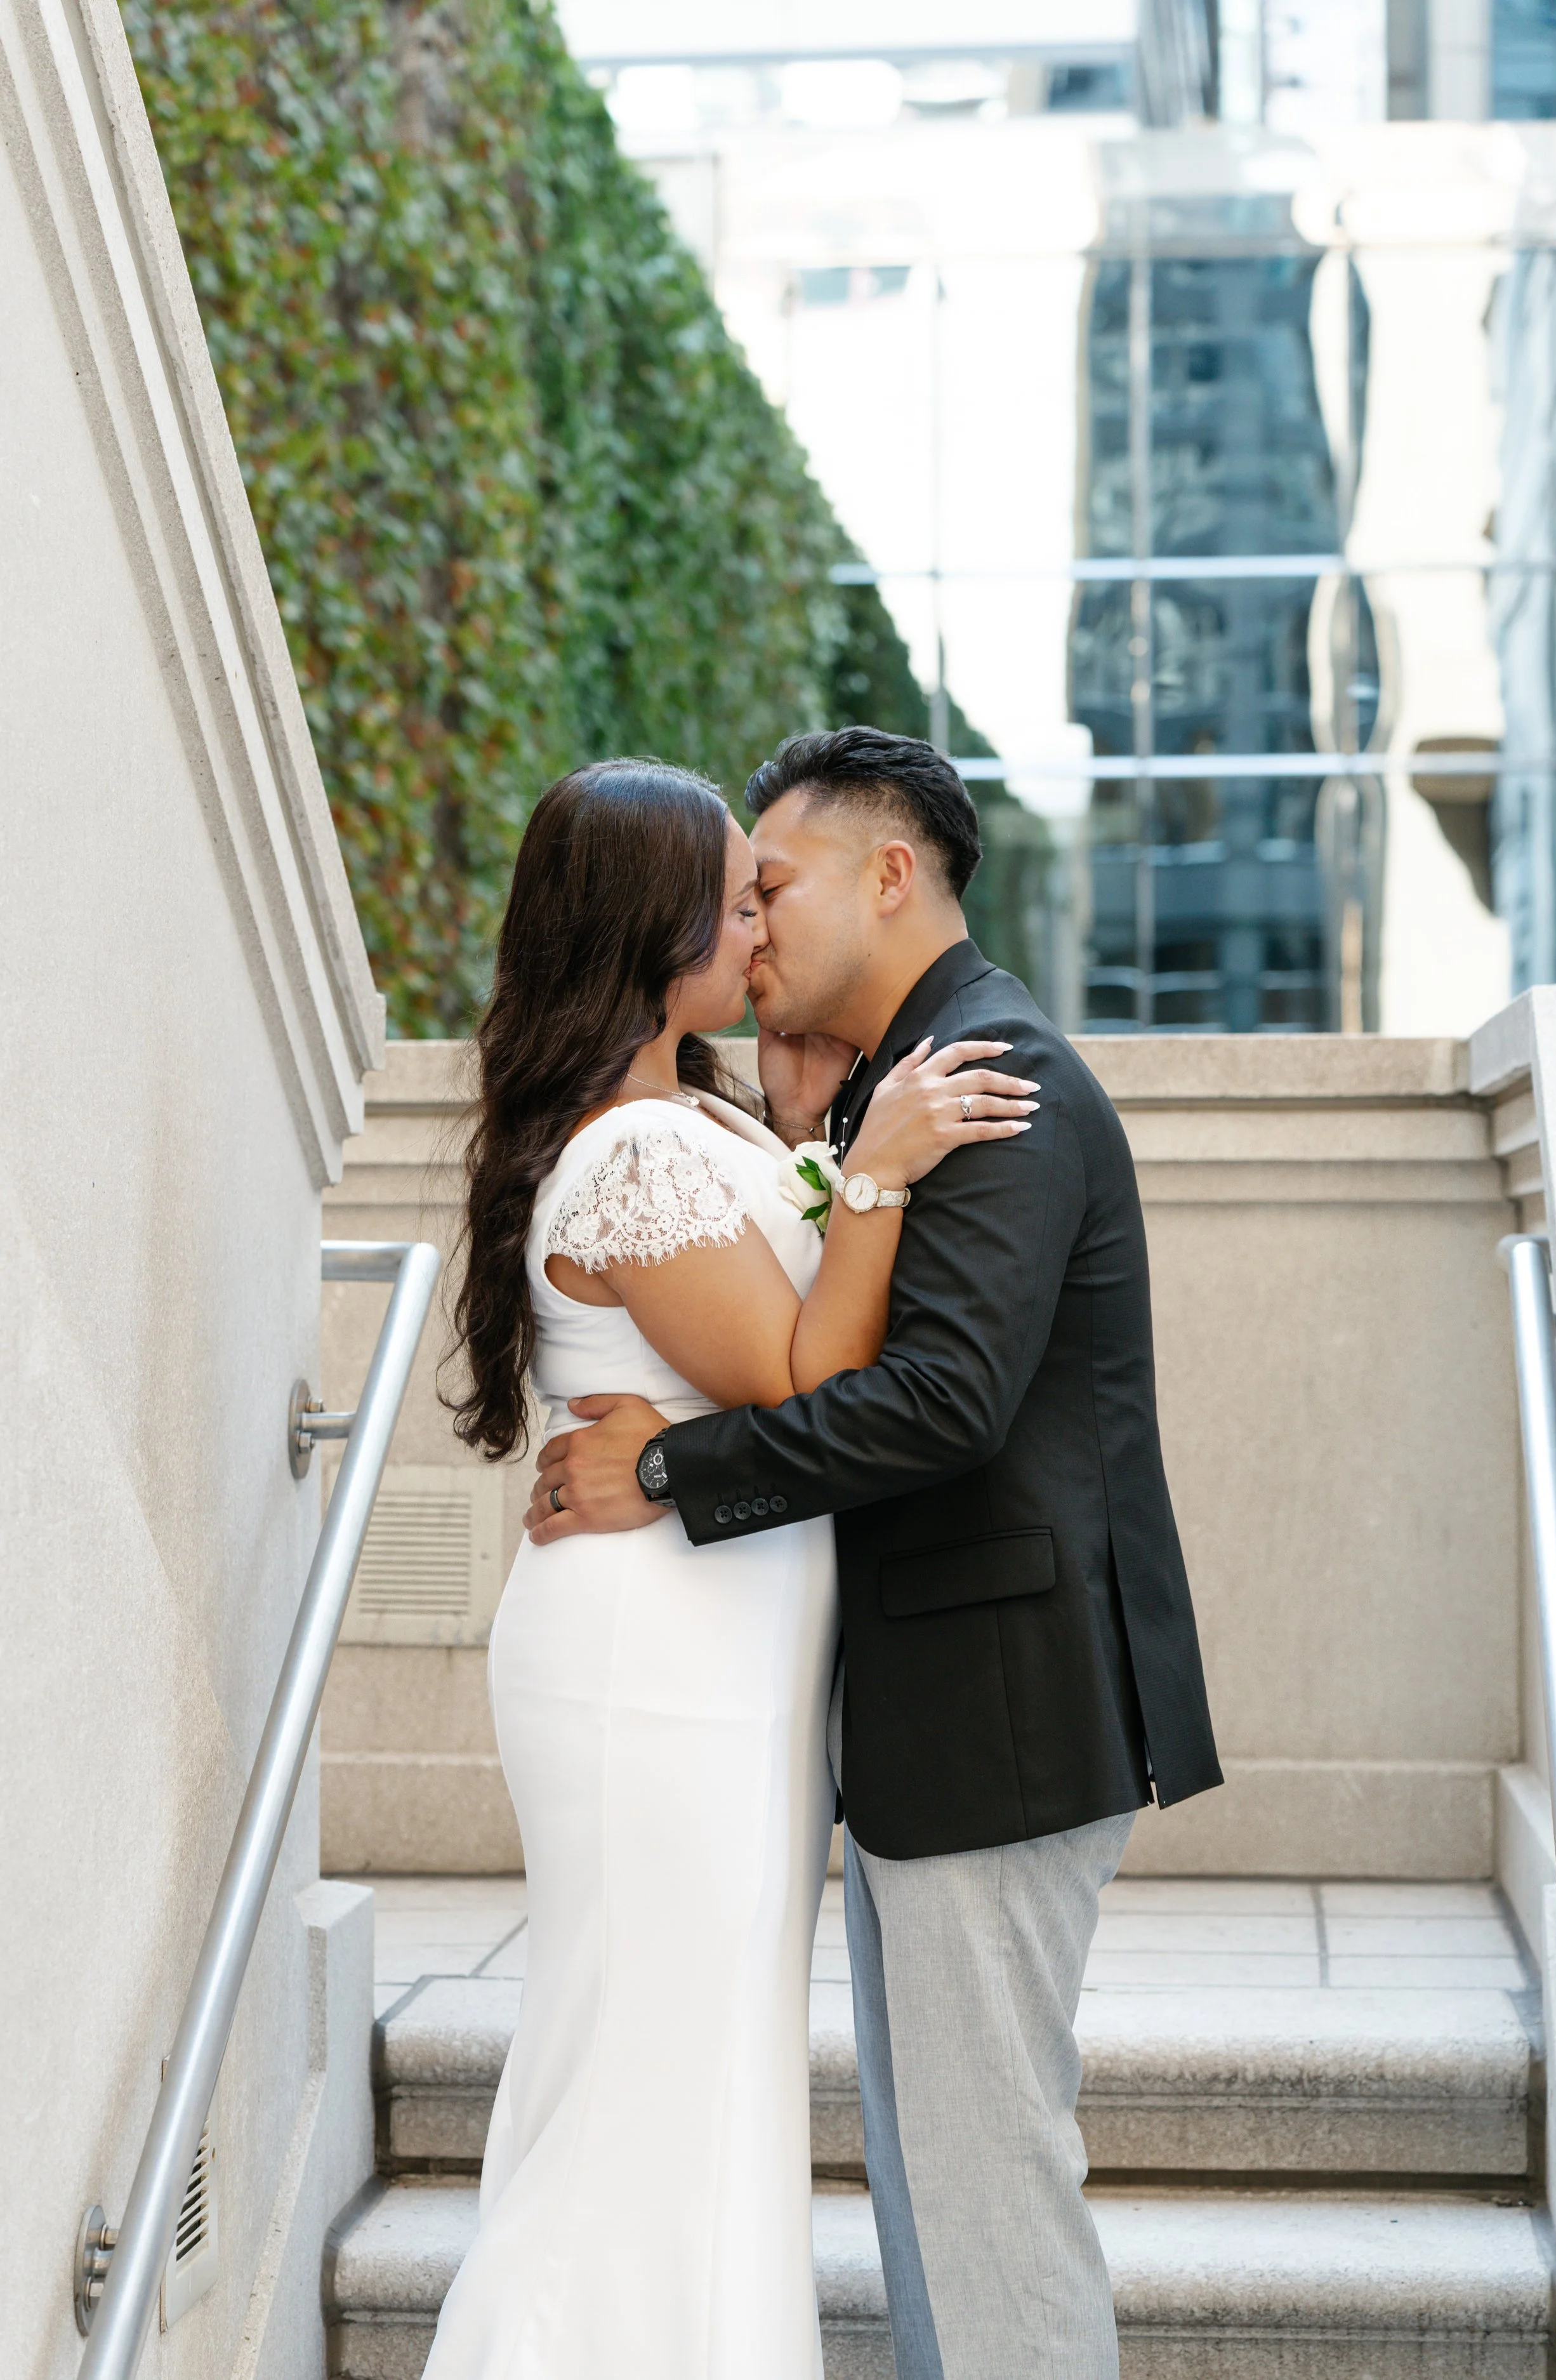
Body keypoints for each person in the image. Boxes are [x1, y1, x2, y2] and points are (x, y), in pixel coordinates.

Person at [528, 727, 1223, 2380]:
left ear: (889, 873)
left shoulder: (997, 1074)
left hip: (997, 1708)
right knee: (943, 2179)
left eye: (774, 882)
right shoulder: (897, 1081)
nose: (751, 924)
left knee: (981, 2187)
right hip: (947, 1709)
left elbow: (940, 1405)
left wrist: (672, 1467)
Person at [425, 756, 1036, 2379]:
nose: (759, 910)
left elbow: (786, 1269)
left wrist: (815, 1132)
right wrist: (882, 1162)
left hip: (728, 1659)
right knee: (646, 2073)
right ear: (648, 923)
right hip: (656, 1672)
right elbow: (799, 1376)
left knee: (703, 2077)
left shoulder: (689, 1116)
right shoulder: (627, 1157)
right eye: (732, 887)